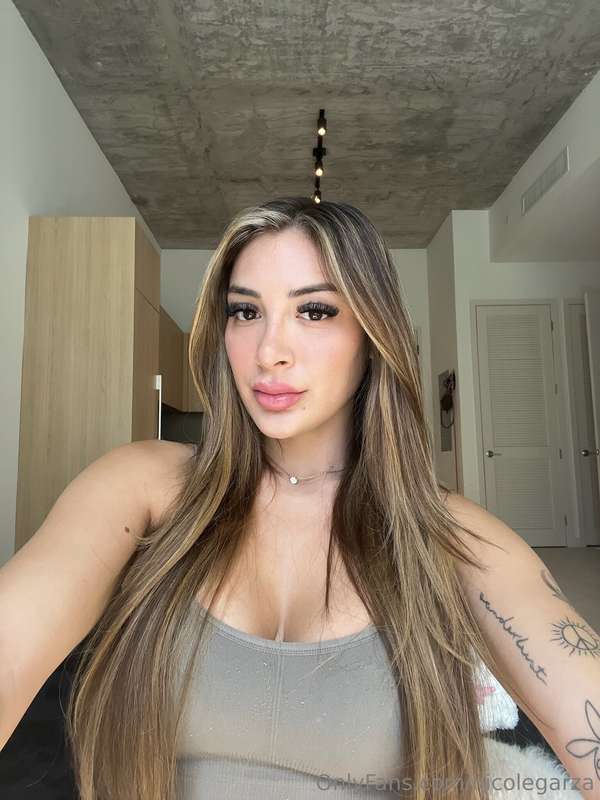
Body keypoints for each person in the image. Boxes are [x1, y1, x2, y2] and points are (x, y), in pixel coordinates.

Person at [1, 197, 599, 800]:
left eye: (314, 310)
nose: (269, 351)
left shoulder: (449, 534)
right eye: (246, 311)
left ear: (373, 335)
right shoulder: (142, 484)